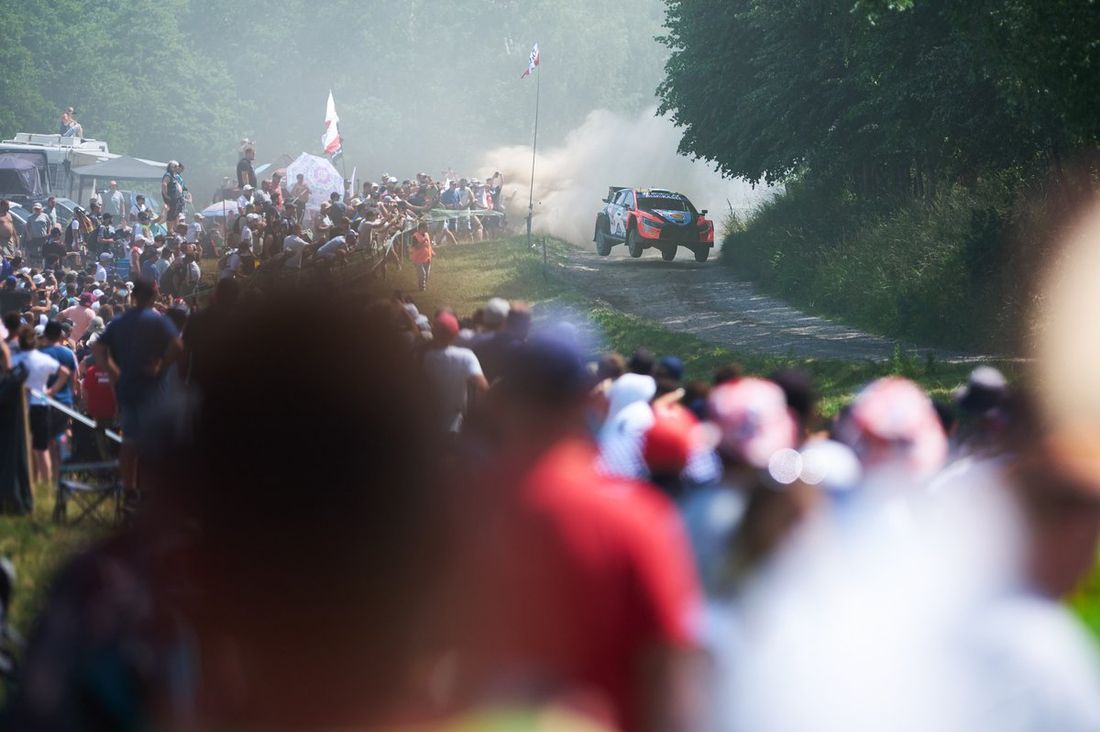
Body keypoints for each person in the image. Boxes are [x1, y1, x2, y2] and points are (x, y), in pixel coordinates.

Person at [91, 277, 183, 500]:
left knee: (130, 441)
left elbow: (98, 348)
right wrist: (161, 365)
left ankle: (129, 489)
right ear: (153, 297)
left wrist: (113, 371)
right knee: (155, 441)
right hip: (153, 389)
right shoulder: (158, 320)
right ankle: (154, 488)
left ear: (133, 296)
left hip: (128, 387)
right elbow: (178, 346)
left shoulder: (120, 321)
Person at [11, 325, 69, 486]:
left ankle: (31, 482)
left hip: (22, 406)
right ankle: (45, 484)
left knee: (25, 446)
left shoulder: (14, 359)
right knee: (41, 448)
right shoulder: (42, 358)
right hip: (41, 404)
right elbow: (64, 373)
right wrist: (51, 391)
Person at [422, 311, 488, 433]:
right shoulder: (465, 356)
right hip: (455, 424)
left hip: (428, 423)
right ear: (455, 334)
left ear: (433, 332)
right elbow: (483, 387)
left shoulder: (427, 358)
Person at [39, 320, 78, 480]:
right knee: (61, 436)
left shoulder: (41, 353)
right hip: (65, 402)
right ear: (60, 335)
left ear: (46, 335)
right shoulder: (69, 353)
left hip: (44, 401)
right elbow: (73, 381)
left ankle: (48, 476)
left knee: (45, 440)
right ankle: (63, 471)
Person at [410, 220, 433, 291]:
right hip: (418, 259)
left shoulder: (426, 234)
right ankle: (421, 288)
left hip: (427, 258)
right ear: (421, 228)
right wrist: (423, 241)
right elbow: (416, 247)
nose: (427, 229)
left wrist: (432, 252)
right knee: (422, 274)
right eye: (426, 228)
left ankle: (423, 286)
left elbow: (428, 245)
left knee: (426, 275)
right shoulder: (415, 236)